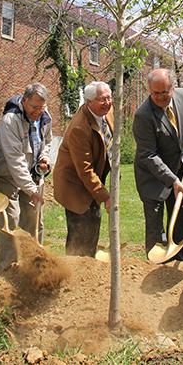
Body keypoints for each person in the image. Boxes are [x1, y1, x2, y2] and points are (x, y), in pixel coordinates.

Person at [133, 68, 183, 261]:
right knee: (155, 223)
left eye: (164, 92)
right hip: (152, 176)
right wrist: (172, 181)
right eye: (155, 93)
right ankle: (158, 264)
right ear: (149, 90)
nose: (160, 97)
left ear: (173, 87)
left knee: (180, 214)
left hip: (180, 168)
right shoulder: (143, 116)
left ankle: (180, 257)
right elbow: (148, 155)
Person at [0, 83, 53, 272]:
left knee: (35, 220)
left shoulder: (44, 116)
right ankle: (7, 270)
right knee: (10, 221)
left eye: (41, 107)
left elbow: (47, 141)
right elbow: (15, 160)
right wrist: (32, 189)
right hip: (8, 176)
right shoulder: (10, 121)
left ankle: (34, 267)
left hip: (32, 175)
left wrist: (44, 157)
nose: (38, 111)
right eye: (34, 107)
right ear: (24, 101)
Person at [52, 81, 113, 257]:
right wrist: (105, 196)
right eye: (102, 99)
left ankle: (88, 262)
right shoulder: (80, 127)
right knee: (82, 227)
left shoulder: (106, 110)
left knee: (94, 221)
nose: (108, 103)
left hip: (91, 178)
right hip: (74, 185)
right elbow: (85, 170)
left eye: (109, 98)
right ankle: (74, 268)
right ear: (89, 102)